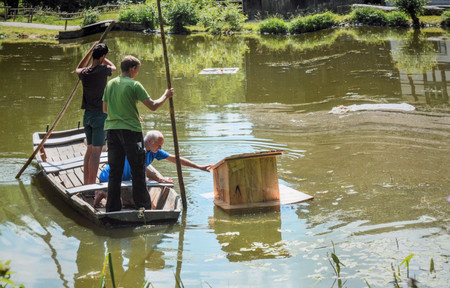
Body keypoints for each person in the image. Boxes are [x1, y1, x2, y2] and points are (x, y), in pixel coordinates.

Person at [102, 55, 174, 212]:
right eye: (137, 70)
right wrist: (166, 95)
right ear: (132, 68)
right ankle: (143, 208)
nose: (137, 73)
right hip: (131, 132)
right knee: (138, 170)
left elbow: (105, 109)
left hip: (112, 131)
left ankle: (112, 209)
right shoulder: (135, 85)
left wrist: (127, 113)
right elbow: (153, 106)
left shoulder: (111, 84)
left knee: (115, 170)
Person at [99, 130, 212, 183]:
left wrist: (199, 167)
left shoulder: (155, 151)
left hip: (128, 181)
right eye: (159, 145)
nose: (160, 148)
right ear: (149, 141)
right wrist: (159, 179)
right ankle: (102, 193)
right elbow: (141, 167)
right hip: (109, 179)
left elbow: (176, 160)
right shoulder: (135, 148)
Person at [76, 43, 116, 185]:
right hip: (100, 115)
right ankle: (91, 186)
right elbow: (114, 67)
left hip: (87, 116)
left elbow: (78, 68)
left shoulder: (84, 72)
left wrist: (90, 52)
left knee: (90, 149)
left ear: (93, 55)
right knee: (96, 152)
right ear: (103, 56)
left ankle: (86, 183)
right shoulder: (103, 70)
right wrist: (102, 58)